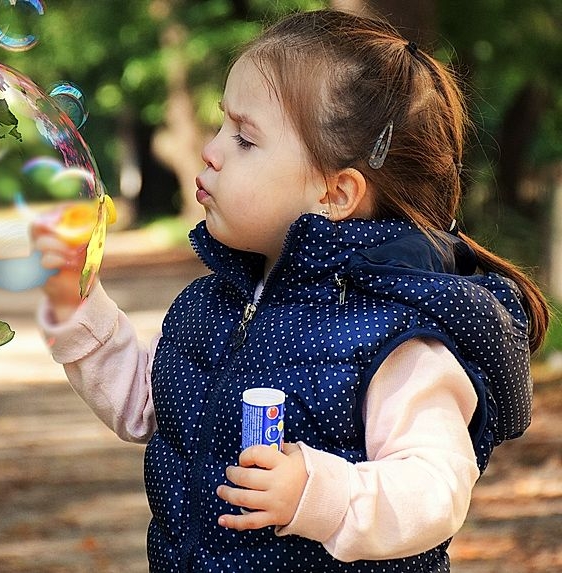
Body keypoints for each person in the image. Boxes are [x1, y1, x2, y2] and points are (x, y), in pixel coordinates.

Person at [33, 8, 549, 573]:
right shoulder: (212, 306)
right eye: (221, 125)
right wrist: (76, 302)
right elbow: (149, 407)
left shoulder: (395, 336)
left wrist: (318, 493)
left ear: (335, 193)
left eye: (246, 139)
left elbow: (434, 488)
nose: (211, 150)